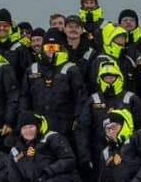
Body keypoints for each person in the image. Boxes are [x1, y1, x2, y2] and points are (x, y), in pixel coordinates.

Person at [5, 113, 109, 182]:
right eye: (24, 128)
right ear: (20, 131)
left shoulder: (51, 137)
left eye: (31, 126)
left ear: (37, 126)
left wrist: (48, 172)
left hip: (64, 179)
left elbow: (69, 159)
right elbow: (15, 180)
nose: (28, 131)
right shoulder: (16, 151)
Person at [24, 28, 92, 174]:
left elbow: (80, 97)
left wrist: (76, 119)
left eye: (54, 47)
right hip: (39, 128)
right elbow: (25, 96)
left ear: (60, 48)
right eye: (48, 46)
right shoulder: (33, 69)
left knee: (65, 163)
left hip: (64, 126)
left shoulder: (71, 69)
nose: (51, 50)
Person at [89, 58, 141, 166]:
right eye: (106, 77)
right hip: (99, 151)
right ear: (100, 79)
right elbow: (84, 128)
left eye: (112, 77)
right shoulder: (93, 99)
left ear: (118, 77)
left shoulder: (131, 98)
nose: (109, 80)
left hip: (129, 150)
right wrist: (85, 155)